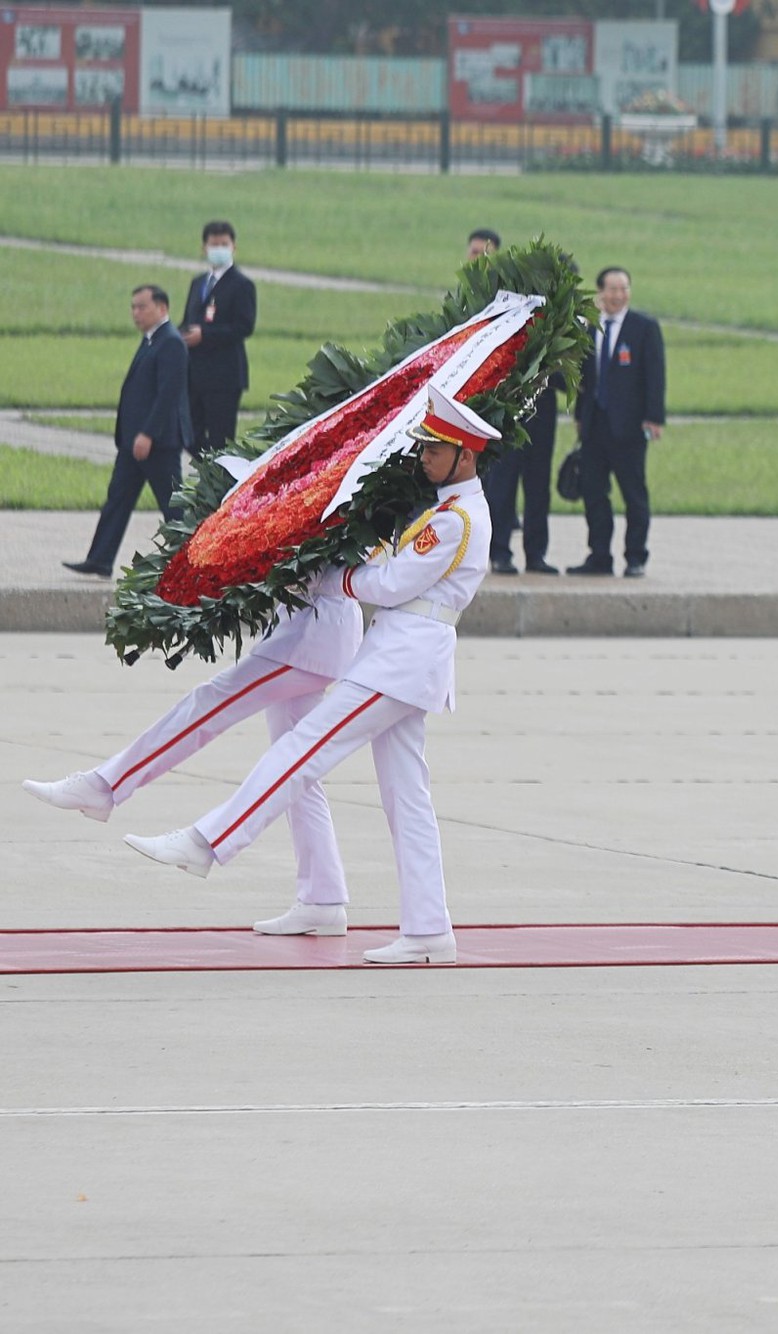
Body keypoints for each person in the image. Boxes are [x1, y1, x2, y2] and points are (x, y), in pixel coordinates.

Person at [123, 387, 499, 966]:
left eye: (435, 450)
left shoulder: (454, 521)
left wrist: (337, 579)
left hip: (401, 661)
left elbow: (392, 586)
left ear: (464, 456)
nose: (424, 457)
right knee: (406, 797)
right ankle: (427, 929)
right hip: (404, 658)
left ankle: (210, 842)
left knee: (304, 750)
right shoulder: (447, 511)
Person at [23, 590, 364, 937]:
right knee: (296, 776)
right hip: (306, 631)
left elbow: (333, 568)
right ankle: (323, 899)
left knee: (209, 703)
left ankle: (104, 786)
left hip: (309, 640)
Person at [65, 286, 191, 578]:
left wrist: (148, 433)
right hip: (133, 444)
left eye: (141, 307)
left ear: (161, 308)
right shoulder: (151, 340)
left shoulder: (170, 342)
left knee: (173, 508)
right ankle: (99, 559)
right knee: (117, 501)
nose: (136, 313)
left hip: (158, 444)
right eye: (133, 307)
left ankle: (193, 564)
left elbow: (168, 395)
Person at [465, 229, 563, 575]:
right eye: (476, 253)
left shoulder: (531, 307)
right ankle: (500, 552)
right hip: (500, 411)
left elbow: (562, 370)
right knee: (501, 483)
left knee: (538, 485)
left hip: (541, 409)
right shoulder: (469, 303)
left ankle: (536, 554)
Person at [570, 267, 665, 578]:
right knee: (594, 493)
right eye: (612, 289)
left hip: (630, 428)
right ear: (600, 292)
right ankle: (599, 556)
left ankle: (636, 556)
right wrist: (579, 418)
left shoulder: (644, 327)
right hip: (595, 426)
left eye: (624, 289)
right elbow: (581, 378)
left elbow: (655, 376)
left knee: (634, 494)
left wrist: (654, 418)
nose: (618, 295)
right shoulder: (590, 328)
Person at [181, 221, 257, 459]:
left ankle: (220, 485)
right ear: (204, 248)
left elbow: (244, 326)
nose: (219, 249)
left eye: (224, 244)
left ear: (233, 247)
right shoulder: (198, 283)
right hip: (195, 373)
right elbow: (188, 319)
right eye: (214, 245)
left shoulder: (242, 285)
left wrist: (205, 335)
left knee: (220, 441)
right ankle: (210, 471)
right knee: (187, 434)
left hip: (224, 376)